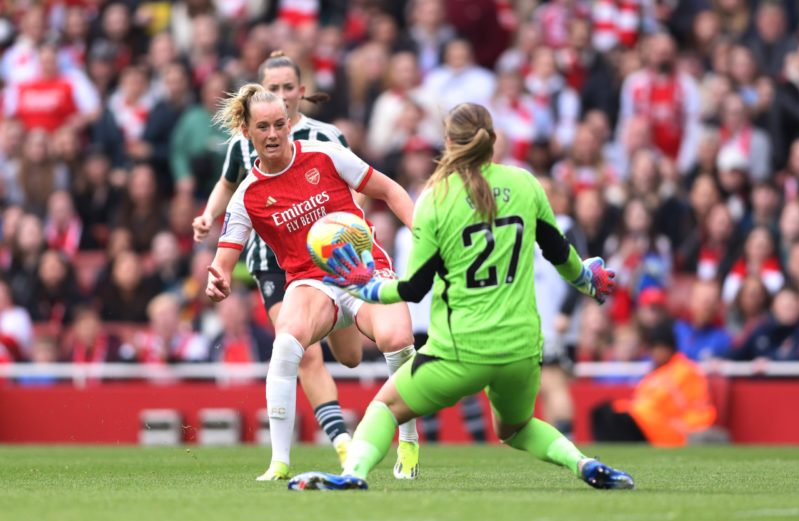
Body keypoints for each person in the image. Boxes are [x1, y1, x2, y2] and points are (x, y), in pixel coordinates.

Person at [288, 103, 633, 491]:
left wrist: (365, 286)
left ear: (448, 143)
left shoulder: (436, 199)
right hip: (520, 349)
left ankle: (353, 474)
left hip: (460, 349)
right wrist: (588, 279)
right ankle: (583, 463)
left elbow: (413, 288)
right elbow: (560, 253)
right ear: (493, 142)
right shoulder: (525, 184)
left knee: (384, 407)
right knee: (516, 428)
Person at [205, 85, 421, 482]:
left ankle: (407, 439)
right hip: (310, 282)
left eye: (279, 124)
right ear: (247, 131)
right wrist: (216, 280)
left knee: (396, 340)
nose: (273, 134)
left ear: (289, 122)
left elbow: (389, 190)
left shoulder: (326, 155)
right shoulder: (247, 196)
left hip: (363, 269)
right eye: (263, 127)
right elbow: (223, 262)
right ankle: (279, 462)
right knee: (286, 345)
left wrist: (422, 232)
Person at [192, 51, 374, 474]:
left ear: (301, 91)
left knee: (349, 357)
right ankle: (343, 445)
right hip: (274, 259)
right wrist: (207, 215)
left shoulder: (328, 137)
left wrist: (345, 231)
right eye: (271, 88)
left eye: (287, 87)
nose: (281, 95)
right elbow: (228, 185)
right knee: (299, 350)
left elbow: (358, 186)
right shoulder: (244, 143)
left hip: (331, 256)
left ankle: (340, 317)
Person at [591, 317, 717, 446]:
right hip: (646, 420)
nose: (655, 353)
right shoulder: (656, 371)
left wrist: (682, 427)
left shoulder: (685, 370)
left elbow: (697, 408)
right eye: (653, 348)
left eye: (659, 347)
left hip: (665, 427)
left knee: (613, 420)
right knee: (601, 411)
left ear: (669, 348)